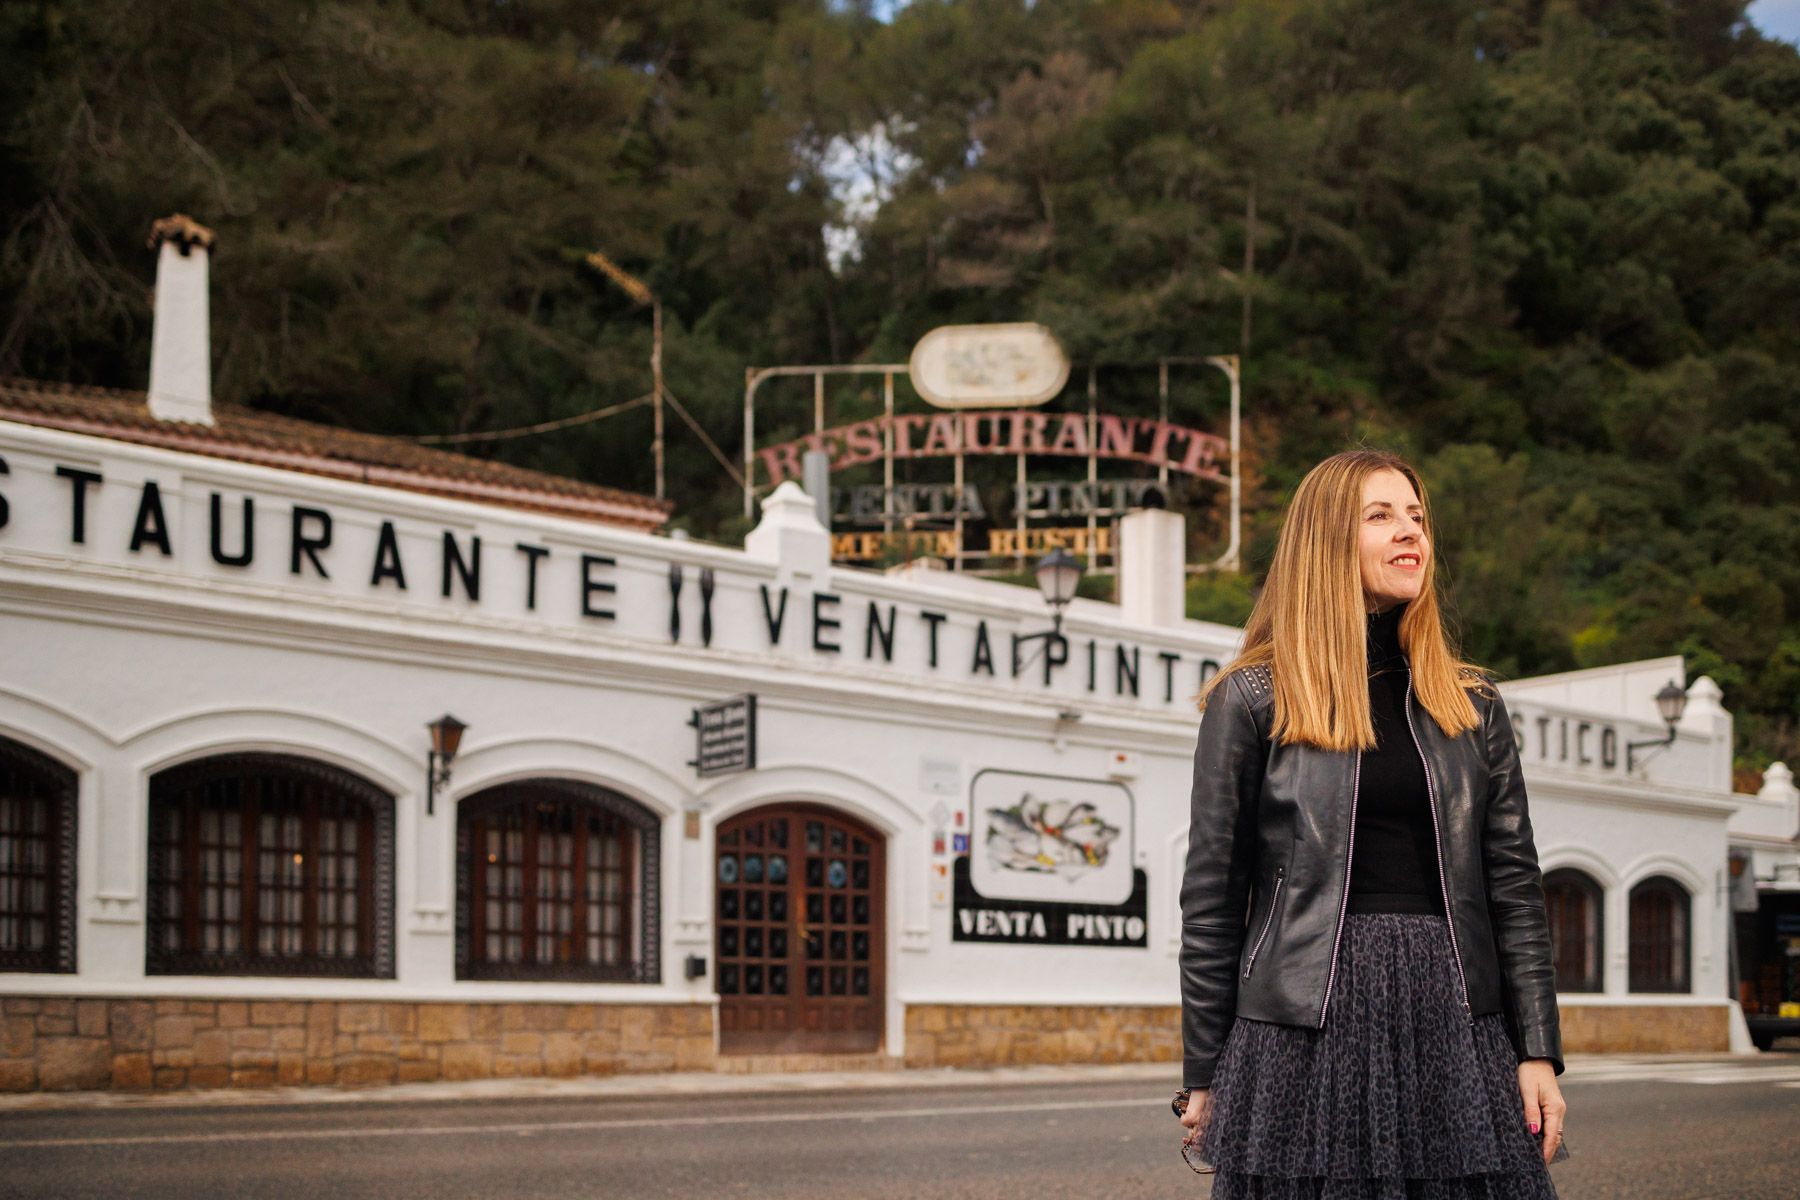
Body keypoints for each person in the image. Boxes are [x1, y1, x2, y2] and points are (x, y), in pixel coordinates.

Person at [1174, 449, 1566, 1198]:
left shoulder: (1474, 704)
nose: (1410, 531)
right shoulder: (1254, 697)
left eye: (1416, 516)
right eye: (1380, 516)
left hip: (1454, 1015)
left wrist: (1538, 1051)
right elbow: (1212, 900)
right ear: (1326, 541)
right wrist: (1204, 1070)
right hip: (1301, 1025)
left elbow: (1515, 889)